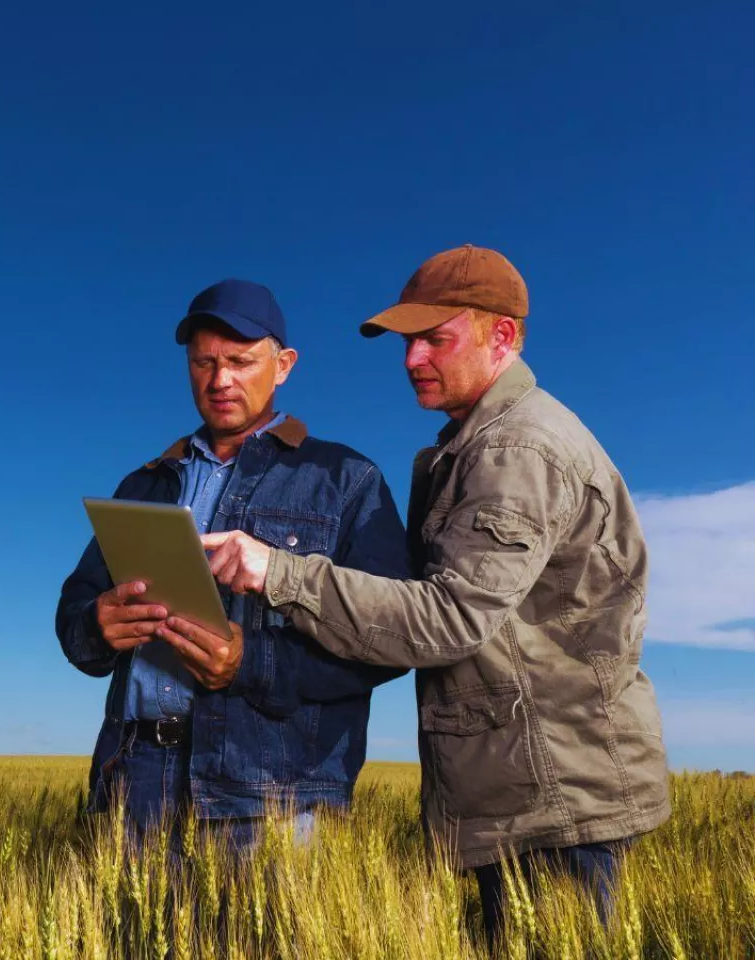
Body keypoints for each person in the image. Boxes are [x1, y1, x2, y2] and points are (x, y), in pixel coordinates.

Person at [199, 246, 670, 941]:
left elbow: (451, 618)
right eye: (406, 342)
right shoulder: (478, 445)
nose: (412, 358)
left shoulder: (517, 449)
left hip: (555, 800)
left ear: (501, 336)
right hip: (528, 790)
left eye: (435, 339)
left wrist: (279, 572)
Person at [56, 278, 410, 849]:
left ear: (284, 365)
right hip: (133, 780)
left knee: (266, 919)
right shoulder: (143, 485)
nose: (220, 380)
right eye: (204, 362)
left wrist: (253, 663)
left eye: (241, 362)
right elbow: (75, 610)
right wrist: (97, 625)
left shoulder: (347, 481)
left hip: (271, 794)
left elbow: (391, 640)